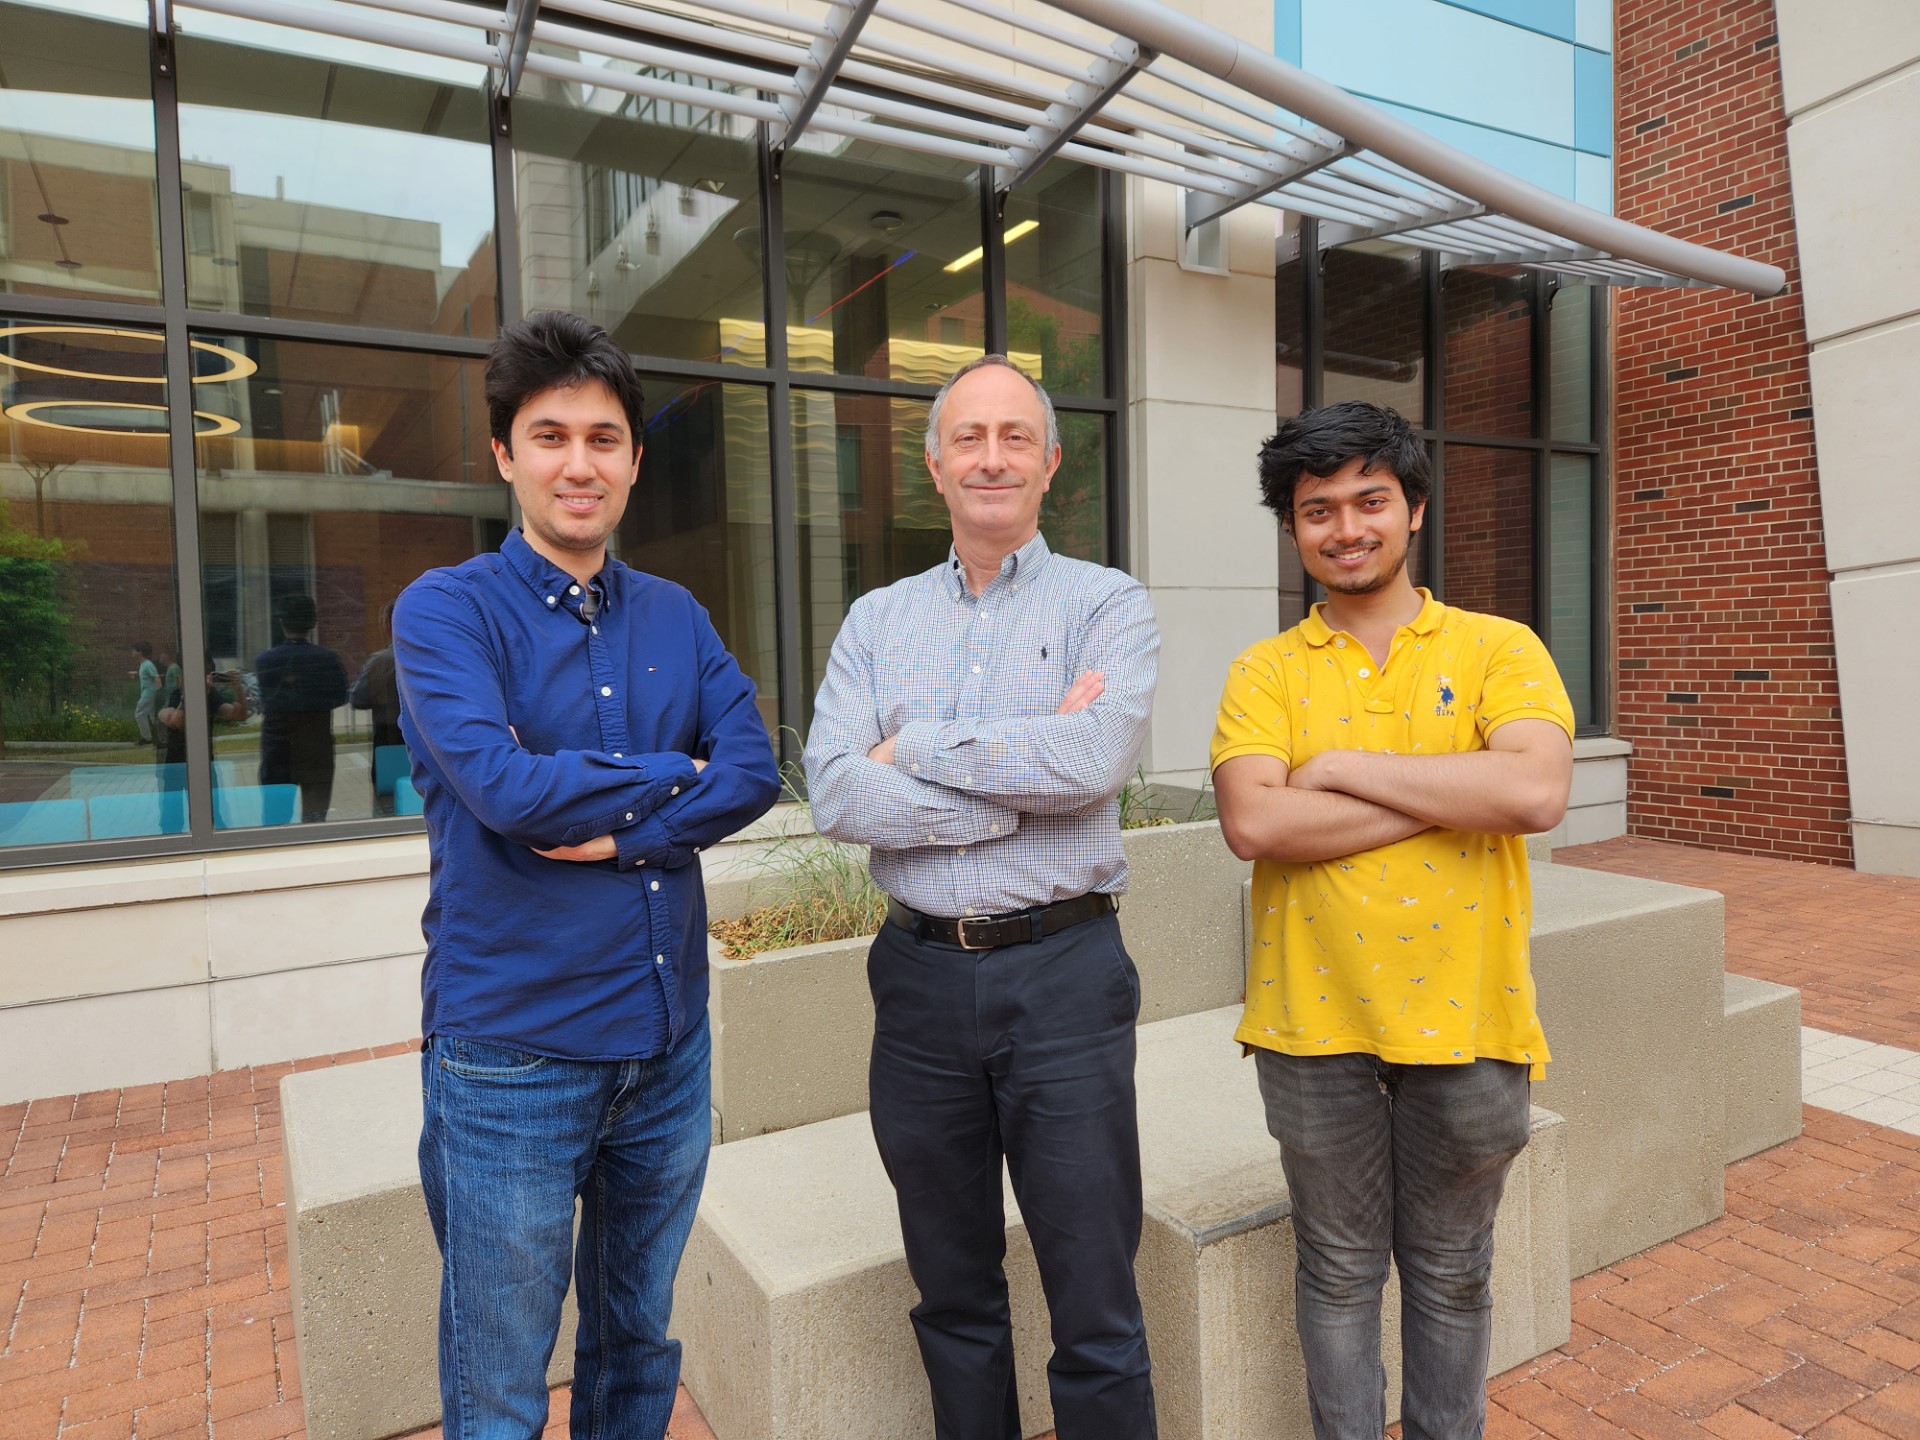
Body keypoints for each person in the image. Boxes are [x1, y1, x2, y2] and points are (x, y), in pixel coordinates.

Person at [392, 310, 780, 1440]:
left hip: (667, 1046)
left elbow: (753, 769)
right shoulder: (446, 612)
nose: (579, 463)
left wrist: (619, 831)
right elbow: (506, 793)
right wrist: (676, 775)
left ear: (634, 460)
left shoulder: (676, 614)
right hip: (515, 1056)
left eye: (603, 439)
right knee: (500, 1378)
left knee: (637, 1346)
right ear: (506, 455)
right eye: (550, 436)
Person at [805, 354, 1161, 1440]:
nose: (992, 457)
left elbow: (1094, 759)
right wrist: (1015, 787)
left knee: (1093, 1294)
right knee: (951, 1289)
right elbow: (831, 787)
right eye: (970, 437)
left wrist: (911, 748)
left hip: (1064, 977)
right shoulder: (876, 619)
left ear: (1051, 462)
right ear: (934, 464)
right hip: (915, 986)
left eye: (1015, 437)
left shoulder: (1109, 603)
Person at [1209, 400, 1574, 1440]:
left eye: (1370, 500)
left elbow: (1535, 794)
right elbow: (1254, 820)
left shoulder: (1500, 646)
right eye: (1317, 509)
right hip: (1308, 1027)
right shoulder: (1264, 671)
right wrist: (1450, 788)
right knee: (1336, 1270)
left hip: (1471, 1018)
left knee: (1455, 1274)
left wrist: (1345, 770)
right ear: (1295, 529)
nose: (1346, 527)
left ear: (1413, 508)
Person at [255, 593, 348, 822]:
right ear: (313, 622)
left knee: (276, 819)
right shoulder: (328, 658)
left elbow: (265, 698)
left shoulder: (265, 661)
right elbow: (341, 696)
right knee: (315, 820)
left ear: (281, 622)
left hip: (278, 746)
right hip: (316, 746)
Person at [349, 600, 403, 814]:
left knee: (386, 809)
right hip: (427, 742)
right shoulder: (435, 657)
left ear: (387, 624)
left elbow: (358, 698)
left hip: (389, 739)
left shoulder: (382, 661)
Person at [130, 641, 159, 744]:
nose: (132, 651)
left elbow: (156, 678)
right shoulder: (143, 664)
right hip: (147, 693)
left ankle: (147, 738)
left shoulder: (148, 664)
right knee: (152, 716)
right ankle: (157, 737)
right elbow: (147, 676)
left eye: (134, 650)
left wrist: (158, 693)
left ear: (140, 652)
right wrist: (137, 674)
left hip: (149, 694)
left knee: (139, 714)